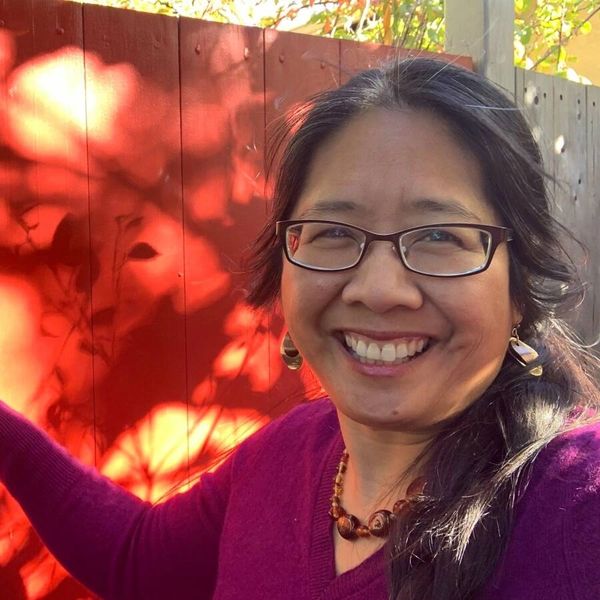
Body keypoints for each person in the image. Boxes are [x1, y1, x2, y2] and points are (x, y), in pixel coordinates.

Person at [1, 57, 600, 600]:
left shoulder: (576, 505)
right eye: (334, 232)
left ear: (519, 288)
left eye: (440, 236)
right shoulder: (285, 455)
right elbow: (136, 560)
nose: (378, 290)